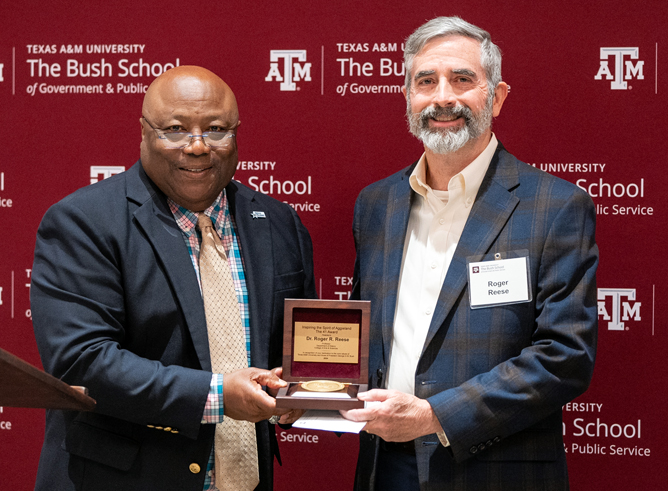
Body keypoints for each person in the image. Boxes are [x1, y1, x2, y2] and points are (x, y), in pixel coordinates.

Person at [341, 17, 598, 491]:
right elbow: (364, 338)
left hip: (496, 469)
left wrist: (434, 416)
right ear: (407, 96)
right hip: (385, 467)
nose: (443, 98)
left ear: (496, 97)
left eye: (462, 80)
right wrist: (312, 389)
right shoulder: (376, 205)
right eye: (426, 81)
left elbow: (565, 356)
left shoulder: (555, 207)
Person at [30, 66, 315, 491]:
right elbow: (83, 361)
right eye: (176, 129)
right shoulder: (83, 222)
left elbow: (300, 351)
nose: (198, 146)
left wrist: (301, 389)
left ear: (236, 133)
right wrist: (218, 395)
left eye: (216, 128)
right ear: (144, 132)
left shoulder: (278, 223)